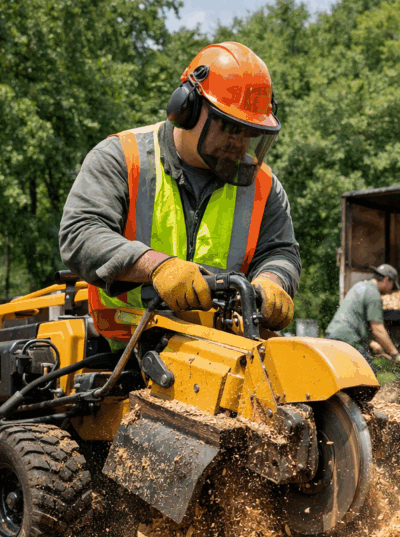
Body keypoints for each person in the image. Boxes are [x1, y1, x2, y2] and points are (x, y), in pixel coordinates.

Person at [59, 42, 300, 340]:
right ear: (187, 108)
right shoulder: (122, 157)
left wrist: (273, 281)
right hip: (123, 348)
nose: (240, 143)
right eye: (230, 127)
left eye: (250, 133)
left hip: (223, 352)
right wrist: (157, 267)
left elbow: (279, 250)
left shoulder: (263, 185)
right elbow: (81, 234)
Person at [326, 264, 400, 366]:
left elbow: (355, 320)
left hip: (332, 335)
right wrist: (395, 354)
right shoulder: (373, 294)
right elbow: (378, 329)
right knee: (369, 376)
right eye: (392, 284)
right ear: (386, 280)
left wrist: (370, 343)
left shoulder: (359, 286)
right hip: (348, 340)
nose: (391, 288)